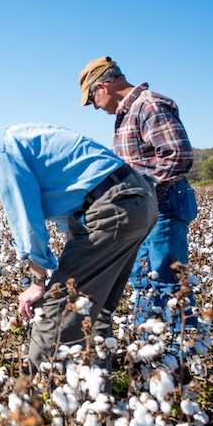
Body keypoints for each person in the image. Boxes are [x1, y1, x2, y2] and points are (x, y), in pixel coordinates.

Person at [0, 114, 157, 372]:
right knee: (92, 307)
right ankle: (94, 395)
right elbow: (70, 199)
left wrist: (38, 282)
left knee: (56, 315)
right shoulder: (7, 139)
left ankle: (41, 395)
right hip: (133, 200)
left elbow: (25, 216)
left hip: (112, 205)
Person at [78, 57, 199, 344]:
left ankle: (178, 355)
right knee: (144, 278)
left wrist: (145, 192)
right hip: (146, 209)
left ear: (102, 86)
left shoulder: (149, 105)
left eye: (91, 98)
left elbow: (177, 155)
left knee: (165, 281)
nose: (94, 106)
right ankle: (149, 352)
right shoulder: (127, 113)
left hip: (164, 204)